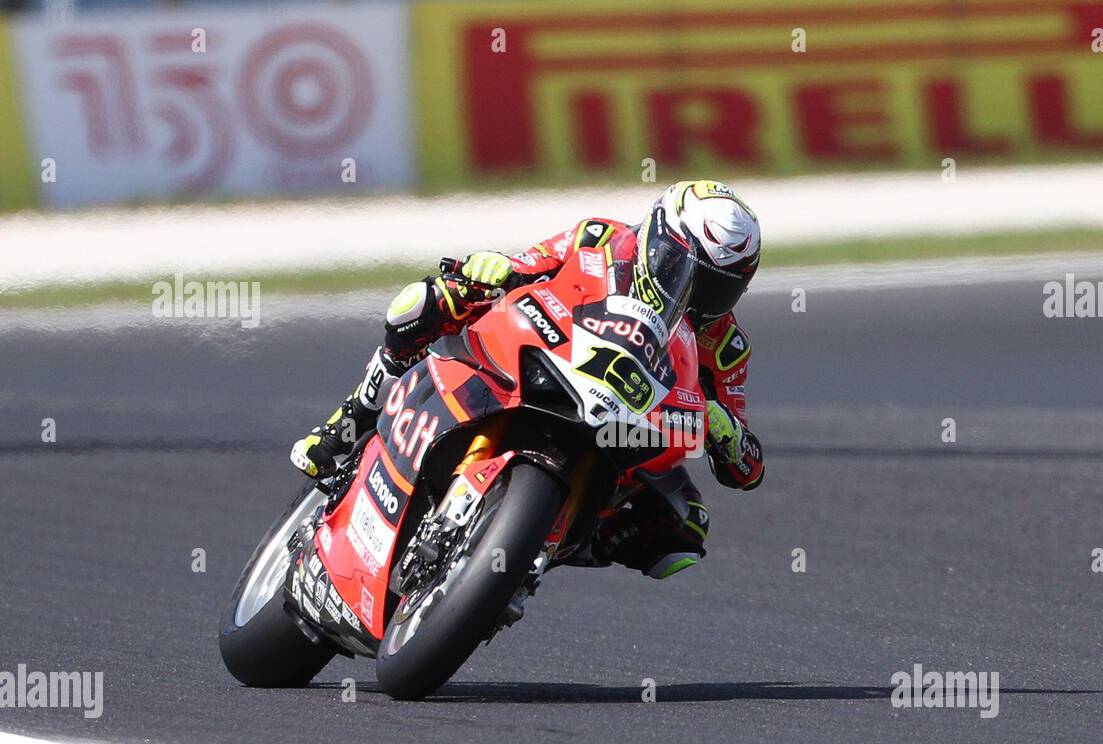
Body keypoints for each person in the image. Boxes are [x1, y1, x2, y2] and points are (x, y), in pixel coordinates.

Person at [291, 180, 764, 578]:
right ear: (658, 240)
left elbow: (748, 470)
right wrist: (495, 268)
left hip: (628, 430)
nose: (698, 294)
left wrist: (727, 431)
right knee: (425, 301)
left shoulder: (724, 346)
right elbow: (526, 266)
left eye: (719, 286)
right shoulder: (598, 237)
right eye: (690, 273)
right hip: (547, 360)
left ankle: (554, 537)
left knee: (688, 523)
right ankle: (349, 420)